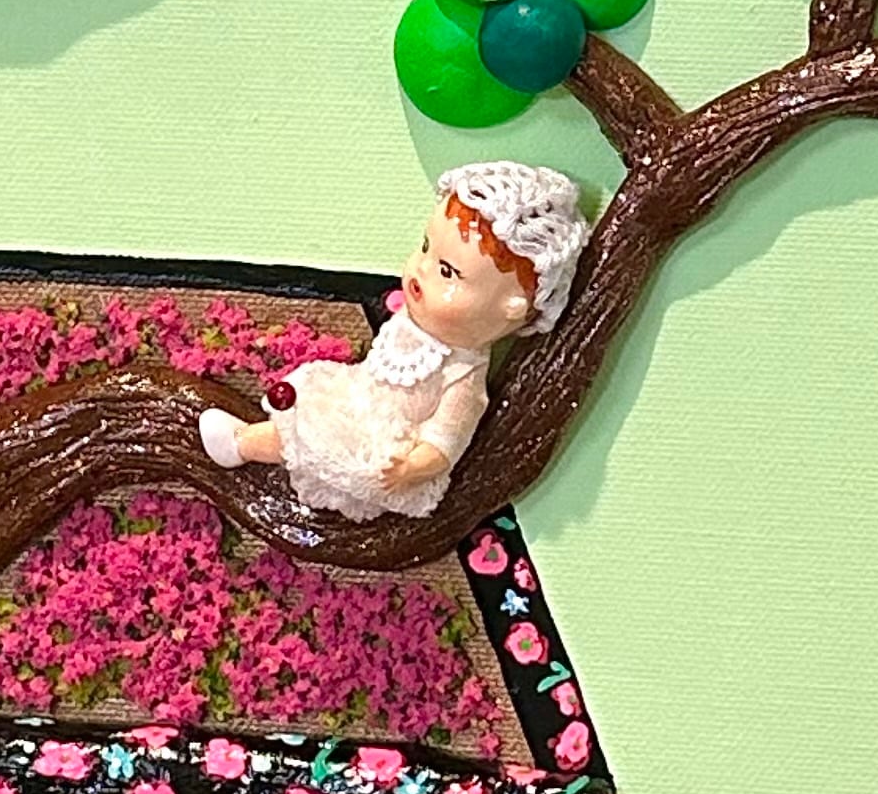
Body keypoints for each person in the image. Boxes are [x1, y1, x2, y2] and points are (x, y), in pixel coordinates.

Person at [198, 162, 590, 523]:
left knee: (307, 438)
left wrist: (413, 467)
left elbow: (447, 438)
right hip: (358, 397)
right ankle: (245, 439)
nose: (421, 270)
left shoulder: (462, 376)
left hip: (383, 443)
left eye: (447, 272)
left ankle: (241, 444)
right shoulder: (414, 319)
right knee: (306, 413)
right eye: (426, 247)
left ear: (510, 309)